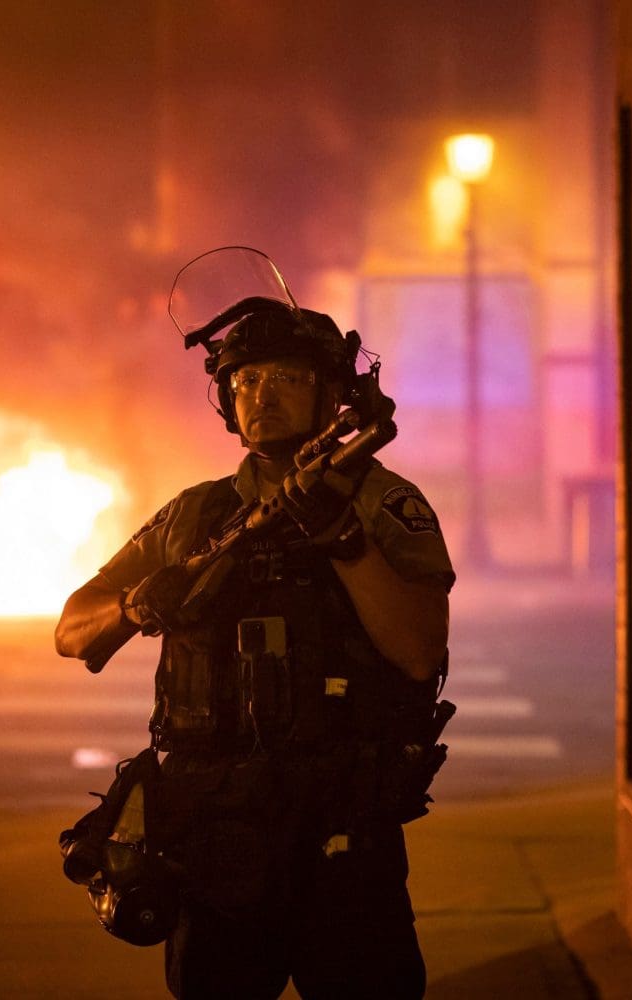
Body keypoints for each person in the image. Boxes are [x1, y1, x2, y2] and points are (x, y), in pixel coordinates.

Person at [55, 248, 454, 999]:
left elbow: (417, 648)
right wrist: (137, 605)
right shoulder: (195, 515)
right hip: (216, 832)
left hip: (341, 825)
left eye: (285, 378)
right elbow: (73, 629)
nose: (260, 395)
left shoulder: (380, 502)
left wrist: (339, 535)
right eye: (244, 381)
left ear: (331, 393)